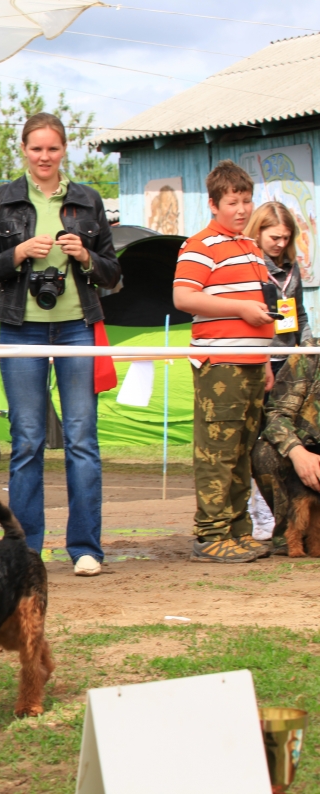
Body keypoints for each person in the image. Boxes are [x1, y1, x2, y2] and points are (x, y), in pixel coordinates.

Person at [0, 112, 120, 578]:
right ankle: (25, 550)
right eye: (36, 149)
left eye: (52, 149)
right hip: (20, 327)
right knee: (29, 441)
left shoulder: (89, 200)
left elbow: (114, 275)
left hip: (77, 325)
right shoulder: (1, 199)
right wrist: (16, 254)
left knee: (82, 441)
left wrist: (86, 257)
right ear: (24, 150)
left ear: (64, 150)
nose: (44, 157)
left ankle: (85, 547)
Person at [172, 160, 276, 563]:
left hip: (252, 361)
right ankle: (209, 532)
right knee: (218, 449)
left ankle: (237, 529)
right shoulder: (199, 245)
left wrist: (265, 357)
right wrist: (241, 310)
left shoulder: (250, 246)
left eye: (247, 201)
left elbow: (261, 304)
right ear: (214, 204)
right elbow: (184, 297)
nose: (242, 210)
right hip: (220, 364)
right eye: (233, 202)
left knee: (242, 449)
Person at [253, 351, 320, 556]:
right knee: (264, 453)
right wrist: (297, 452)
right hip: (307, 451)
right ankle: (287, 534)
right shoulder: (308, 355)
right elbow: (275, 414)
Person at [246, 202, 311, 378]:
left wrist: (308, 345)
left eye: (286, 238)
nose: (281, 244)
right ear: (257, 232)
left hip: (289, 359)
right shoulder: (247, 264)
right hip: (258, 360)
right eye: (275, 238)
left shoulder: (292, 266)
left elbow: (298, 312)